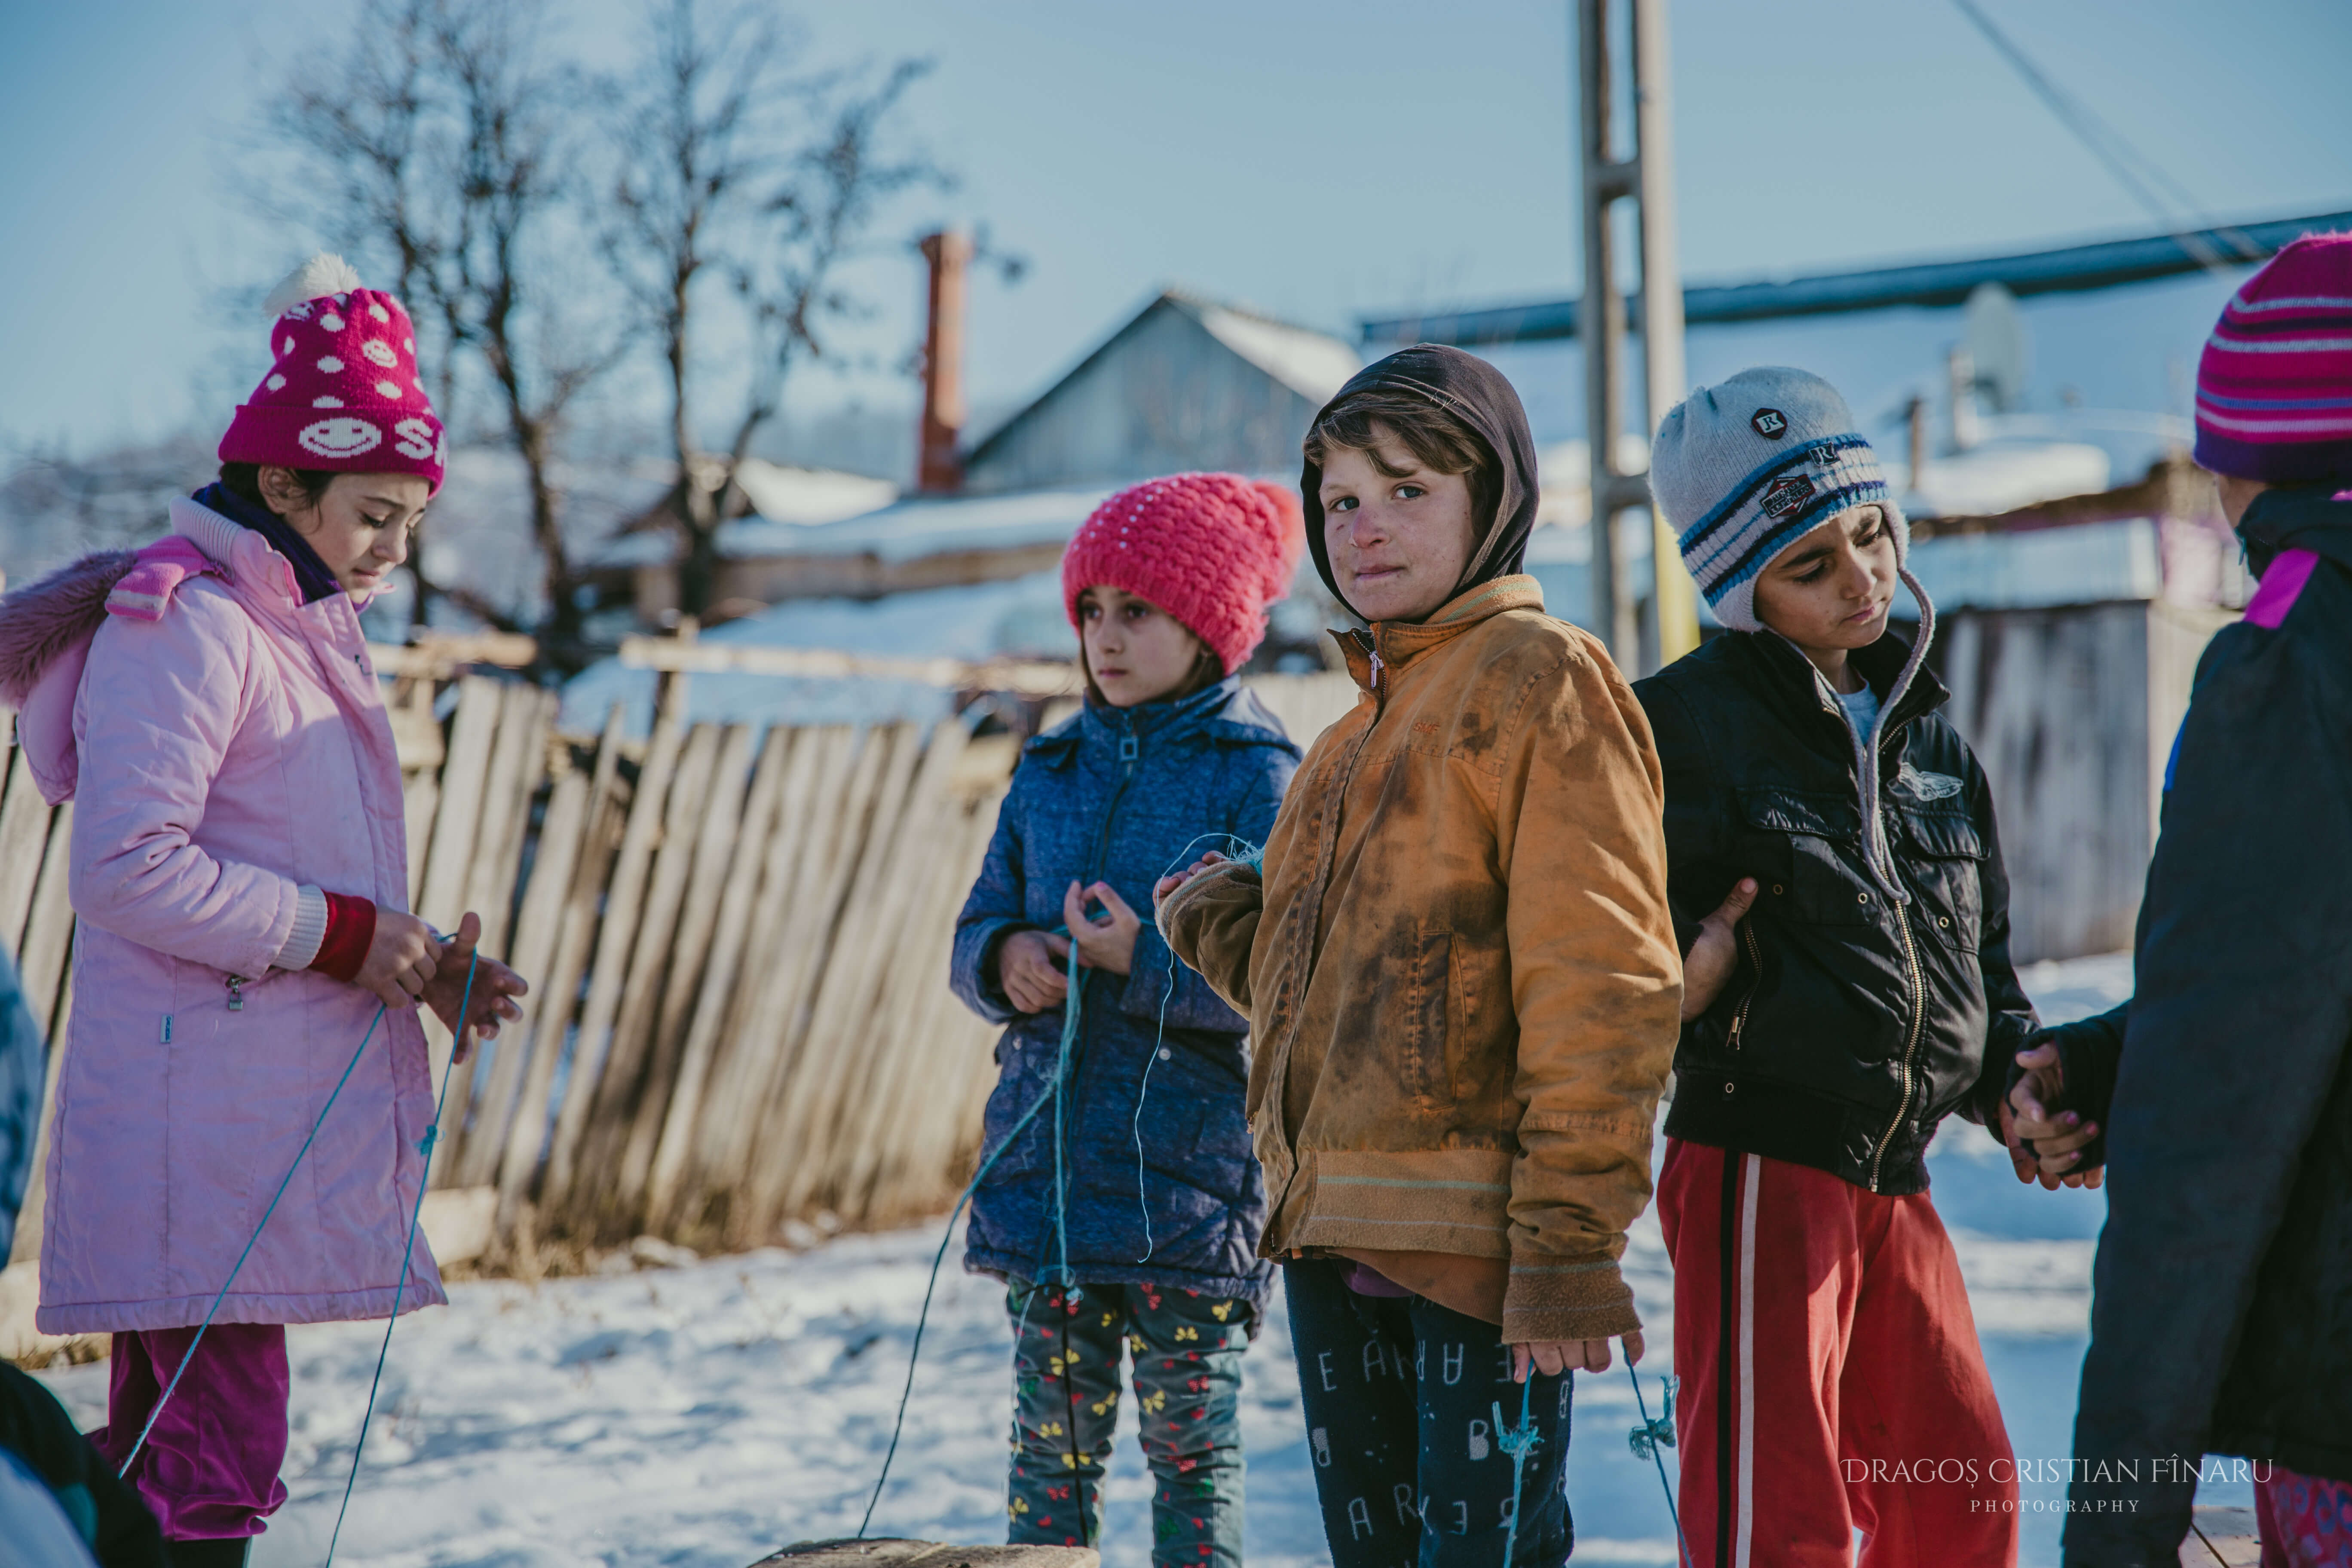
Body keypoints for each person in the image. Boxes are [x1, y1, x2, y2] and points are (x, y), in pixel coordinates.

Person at [0, 254, 527, 1567]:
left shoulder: (295, 628)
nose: (399, 550)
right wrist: (350, 935)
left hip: (246, 1117)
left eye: (413, 516)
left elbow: (287, 864)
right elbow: (126, 867)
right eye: (375, 514)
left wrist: (413, 964)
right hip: (198, 1124)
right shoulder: (192, 627)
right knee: (204, 1469)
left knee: (194, 1458)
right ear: (285, 485)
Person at [1156, 345, 1681, 1568]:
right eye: (1340, 500)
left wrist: (1567, 1242)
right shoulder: (1347, 735)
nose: (1365, 527)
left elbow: (1600, 980)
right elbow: (1354, 997)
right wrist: (1228, 923)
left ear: (1491, 499)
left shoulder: (1542, 679)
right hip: (1333, 1232)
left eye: (1407, 490)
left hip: (1479, 1248)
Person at [1637, 366, 2043, 1566]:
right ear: (1738, 590)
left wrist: (2017, 1083)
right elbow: (1609, 947)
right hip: (1762, 1164)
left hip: (1897, 1173)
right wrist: (1672, 983)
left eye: (1869, 535)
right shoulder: (1681, 731)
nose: (1861, 576)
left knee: (1962, 1496)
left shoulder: (1933, 742)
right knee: (1780, 1518)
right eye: (1810, 565)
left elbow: (1983, 972)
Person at [2019, 234, 2352, 1568]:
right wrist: (2119, 1060)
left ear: (2244, 462)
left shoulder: (2291, 668)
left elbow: (2222, 1114)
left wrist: (2118, 1522)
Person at [948, 472, 1305, 1568]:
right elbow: (976, 929)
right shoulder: (1048, 768)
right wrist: (1010, 959)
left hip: (1187, 1193)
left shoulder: (1260, 779)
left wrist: (1140, 961)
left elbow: (1283, 987)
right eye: (1090, 611)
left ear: (1207, 625)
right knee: (1047, 1456)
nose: (1105, 637)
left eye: (1137, 611)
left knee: (1191, 1453)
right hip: (1049, 1177)